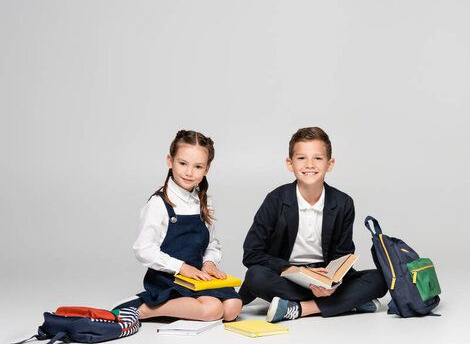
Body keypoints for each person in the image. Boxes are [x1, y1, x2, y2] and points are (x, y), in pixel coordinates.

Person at [239, 127, 387, 322]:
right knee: (255, 276)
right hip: (288, 274)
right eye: (301, 158)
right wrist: (295, 271)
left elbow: (343, 254)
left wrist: (332, 282)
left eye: (318, 158)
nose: (310, 165)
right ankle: (345, 303)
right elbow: (252, 253)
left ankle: (300, 308)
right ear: (290, 164)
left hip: (324, 275)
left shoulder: (343, 203)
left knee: (381, 278)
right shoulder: (275, 200)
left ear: (330, 163)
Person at [120, 130, 242, 321]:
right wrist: (181, 267)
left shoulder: (204, 202)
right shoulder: (158, 204)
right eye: (182, 163)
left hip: (197, 277)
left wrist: (209, 263)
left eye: (198, 166)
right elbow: (143, 250)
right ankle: (143, 309)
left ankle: (187, 305)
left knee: (233, 307)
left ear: (207, 169)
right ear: (170, 161)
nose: (189, 172)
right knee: (212, 310)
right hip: (170, 277)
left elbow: (212, 244)